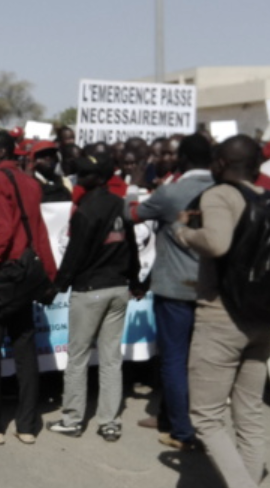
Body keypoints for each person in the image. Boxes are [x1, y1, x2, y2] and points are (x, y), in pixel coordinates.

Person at [173, 135, 270, 488]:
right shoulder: (265, 197)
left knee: (207, 417)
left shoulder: (219, 195)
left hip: (222, 315)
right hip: (261, 318)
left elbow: (216, 242)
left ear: (221, 163)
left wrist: (184, 233)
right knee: (249, 413)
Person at [47, 154, 144, 442]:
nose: (79, 177)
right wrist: (135, 279)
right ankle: (109, 422)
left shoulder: (85, 210)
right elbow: (132, 249)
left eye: (84, 173)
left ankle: (72, 420)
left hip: (89, 291)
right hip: (118, 289)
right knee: (111, 359)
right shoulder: (119, 205)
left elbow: (74, 255)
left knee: (77, 357)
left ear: (96, 178)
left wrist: (56, 287)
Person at [127, 134, 214, 450]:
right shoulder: (223, 191)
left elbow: (131, 214)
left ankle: (182, 431)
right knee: (198, 360)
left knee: (174, 360)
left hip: (175, 289)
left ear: (184, 160)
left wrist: (133, 187)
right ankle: (174, 417)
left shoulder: (171, 192)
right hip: (211, 289)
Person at [0, 130, 57, 446]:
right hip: (26, 276)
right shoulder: (31, 182)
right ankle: (26, 425)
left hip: (2, 275)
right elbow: (40, 233)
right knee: (25, 351)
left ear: (1, 152)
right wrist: (50, 275)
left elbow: (4, 233)